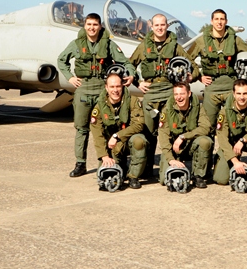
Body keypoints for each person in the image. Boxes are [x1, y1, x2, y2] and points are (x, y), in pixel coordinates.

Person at [57, 13, 135, 178]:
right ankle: (80, 163)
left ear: (100, 26)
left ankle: (111, 161)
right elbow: (61, 60)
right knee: (81, 129)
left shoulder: (108, 45)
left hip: (102, 90)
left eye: (95, 25)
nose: (92, 28)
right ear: (85, 26)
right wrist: (69, 77)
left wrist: (132, 74)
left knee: (108, 127)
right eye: (89, 24)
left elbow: (126, 62)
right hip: (83, 90)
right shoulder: (76, 44)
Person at [129, 13, 197, 173]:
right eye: (156, 25)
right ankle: (146, 167)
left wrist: (190, 77)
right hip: (151, 93)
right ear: (151, 27)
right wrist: (138, 82)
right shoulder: (144, 46)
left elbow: (193, 66)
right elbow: (129, 65)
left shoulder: (175, 46)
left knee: (171, 129)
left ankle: (173, 163)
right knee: (148, 132)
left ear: (167, 26)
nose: (160, 28)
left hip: (169, 92)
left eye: (162, 25)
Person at [187, 9, 247, 122]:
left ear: (226, 21)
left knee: (234, 123)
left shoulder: (235, 40)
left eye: (222, 19)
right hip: (212, 87)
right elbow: (187, 59)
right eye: (216, 19)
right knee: (208, 124)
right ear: (211, 21)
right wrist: (199, 76)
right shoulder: (201, 41)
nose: (219, 22)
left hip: (230, 87)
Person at [90, 72, 148, 189]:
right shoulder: (99, 107)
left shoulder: (133, 101)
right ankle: (120, 165)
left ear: (123, 86)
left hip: (126, 140)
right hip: (111, 146)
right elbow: (97, 134)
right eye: (112, 87)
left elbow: (139, 125)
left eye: (118, 86)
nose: (115, 90)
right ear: (106, 88)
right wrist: (104, 156)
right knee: (104, 174)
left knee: (139, 141)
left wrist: (117, 135)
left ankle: (133, 176)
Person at [157, 82, 213, 189]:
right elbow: (163, 136)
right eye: (176, 94)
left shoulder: (199, 107)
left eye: (182, 94)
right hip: (174, 148)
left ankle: (198, 175)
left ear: (189, 94)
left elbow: (206, 128)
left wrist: (183, 136)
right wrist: (170, 159)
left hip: (191, 146)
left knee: (205, 141)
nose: (179, 97)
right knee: (164, 180)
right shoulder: (167, 110)